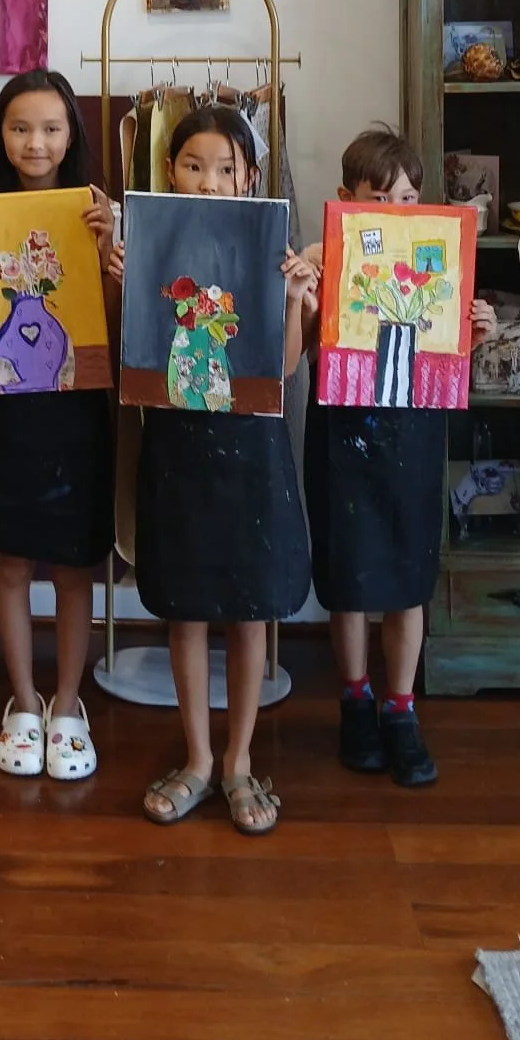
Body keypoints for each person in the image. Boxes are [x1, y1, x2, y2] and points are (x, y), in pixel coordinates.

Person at [109, 104, 314, 837]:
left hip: (252, 455)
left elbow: (283, 369)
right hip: (177, 451)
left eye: (226, 168)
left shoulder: (272, 250)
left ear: (250, 176)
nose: (210, 179)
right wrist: (125, 283)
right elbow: (133, 360)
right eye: (194, 165)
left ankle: (238, 760)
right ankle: (197, 758)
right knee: (187, 606)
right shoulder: (150, 247)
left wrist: (292, 298)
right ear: (170, 172)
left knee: (248, 605)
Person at [0, 70, 116, 781]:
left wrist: (111, 253)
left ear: (71, 135)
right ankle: (24, 699)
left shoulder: (96, 210)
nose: (34, 142)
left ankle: (69, 702)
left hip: (75, 412)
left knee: (75, 566)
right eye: (19, 128)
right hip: (3, 411)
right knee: (9, 563)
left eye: (50, 127)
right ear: (0, 136)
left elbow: (106, 318)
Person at [299, 126, 496, 787]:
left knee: (409, 574)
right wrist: (307, 288)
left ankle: (401, 708)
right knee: (350, 575)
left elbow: (450, 346)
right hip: (342, 433)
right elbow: (300, 347)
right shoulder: (322, 256)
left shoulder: (440, 261)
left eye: (408, 195)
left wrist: (474, 329)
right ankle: (356, 698)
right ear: (345, 198)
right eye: (379, 195)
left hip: (413, 435)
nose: (396, 206)